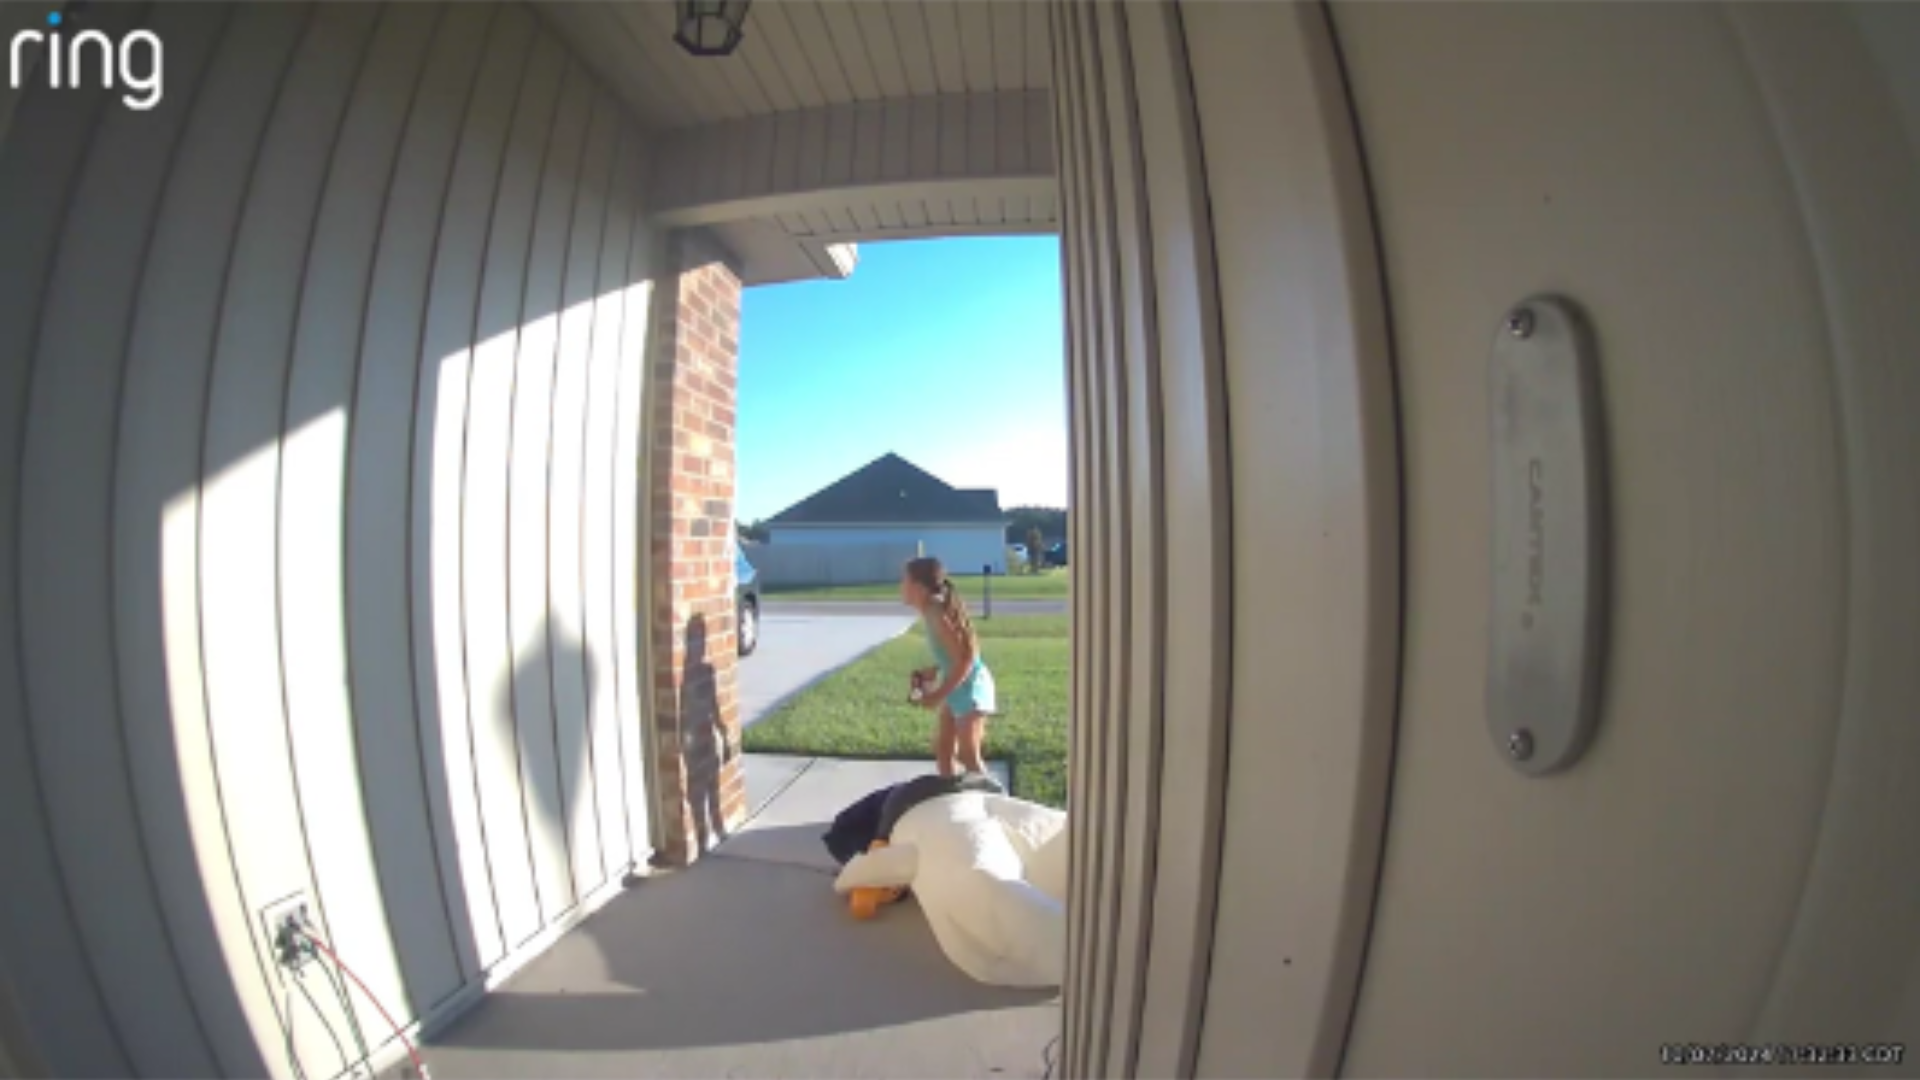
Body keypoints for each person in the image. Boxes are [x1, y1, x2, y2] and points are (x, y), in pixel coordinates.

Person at [899, 556, 996, 777]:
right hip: (958, 685)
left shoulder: (936, 613)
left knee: (968, 756)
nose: (901, 586)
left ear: (919, 587)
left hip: (971, 687)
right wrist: (933, 671)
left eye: (904, 581)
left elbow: (966, 659)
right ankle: (951, 801)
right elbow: (952, 655)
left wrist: (939, 694)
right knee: (944, 752)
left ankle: (996, 804)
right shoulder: (931, 609)